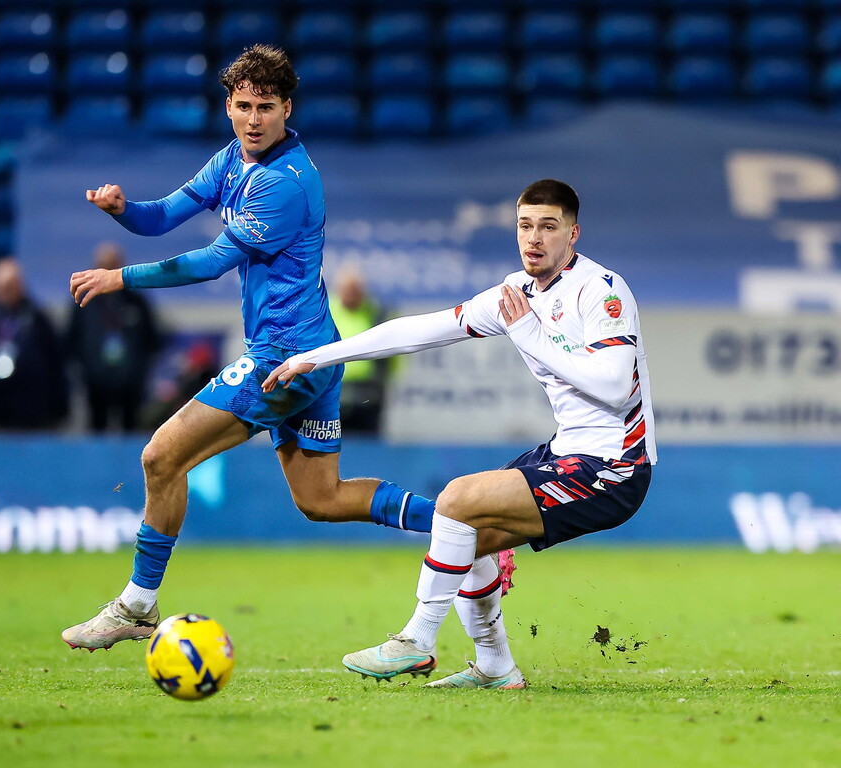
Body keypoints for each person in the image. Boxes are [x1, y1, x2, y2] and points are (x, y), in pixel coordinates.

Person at [60, 45, 511, 652]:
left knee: (160, 458)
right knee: (321, 500)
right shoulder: (232, 160)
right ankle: (465, 528)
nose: (253, 119)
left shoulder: (286, 182)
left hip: (282, 356)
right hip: (315, 356)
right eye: (243, 106)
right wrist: (124, 212)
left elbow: (214, 260)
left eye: (265, 108)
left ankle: (138, 605)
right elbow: (164, 214)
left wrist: (123, 277)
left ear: (286, 108)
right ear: (228, 106)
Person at [264, 179, 656, 689]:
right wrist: (319, 355)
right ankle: (495, 666)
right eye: (525, 226)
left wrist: (532, 336)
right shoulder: (515, 294)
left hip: (615, 467)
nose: (534, 238)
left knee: (456, 501)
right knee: (466, 538)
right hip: (566, 453)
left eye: (548, 227)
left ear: (573, 234)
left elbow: (614, 387)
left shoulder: (601, 290)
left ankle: (416, 639)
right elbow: (420, 330)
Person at [65, 242, 160, 432]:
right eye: (103, 265)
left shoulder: (137, 302)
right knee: (95, 428)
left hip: (130, 385)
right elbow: (72, 340)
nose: (107, 270)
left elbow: (152, 339)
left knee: (131, 428)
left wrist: (139, 371)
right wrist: (85, 371)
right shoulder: (84, 302)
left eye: (112, 265)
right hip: (95, 383)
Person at [0, 257, 69, 430]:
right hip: (0, 405)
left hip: (36, 406)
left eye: (10, 286)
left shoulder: (36, 316)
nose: (6, 292)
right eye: (2, 288)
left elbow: (55, 360)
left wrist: (59, 404)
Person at [327, 264, 389, 433]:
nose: (350, 294)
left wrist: (382, 382)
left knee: (366, 447)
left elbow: (394, 358)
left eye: (355, 290)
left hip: (368, 395)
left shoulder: (376, 312)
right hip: (330, 393)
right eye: (347, 289)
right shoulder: (324, 311)